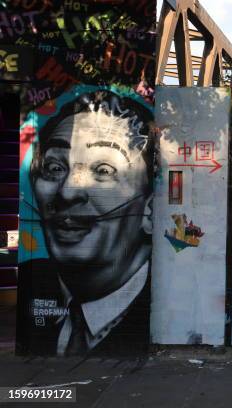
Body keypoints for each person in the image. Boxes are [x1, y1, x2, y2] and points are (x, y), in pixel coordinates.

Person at [17, 90, 154, 356]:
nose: (68, 192)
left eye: (103, 170)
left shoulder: (166, 305)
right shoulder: (30, 285)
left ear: (150, 207)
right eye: (55, 168)